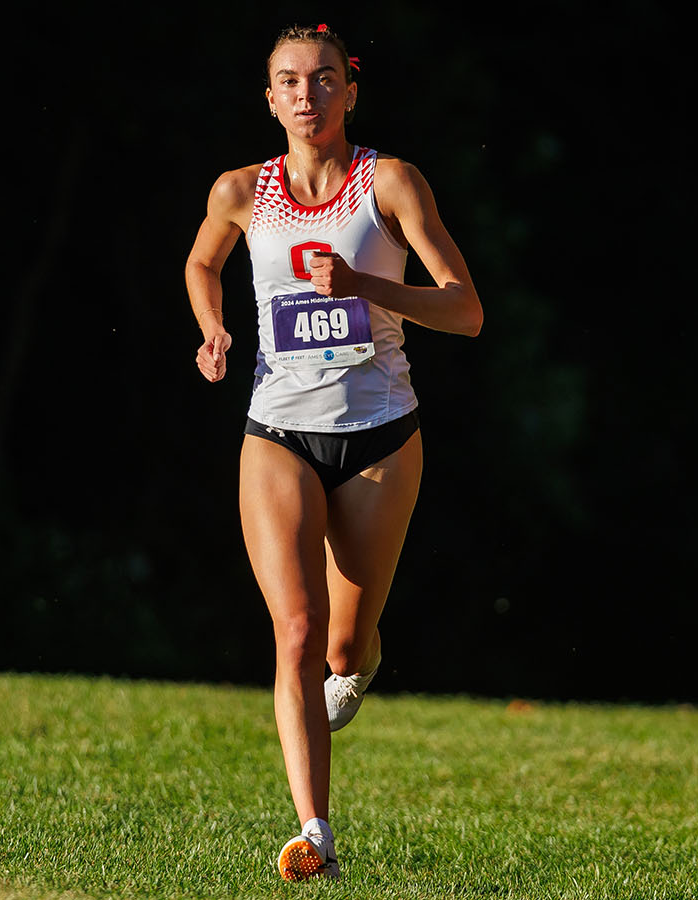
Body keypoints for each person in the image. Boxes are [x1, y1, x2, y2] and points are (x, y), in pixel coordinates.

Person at [183, 23, 481, 881]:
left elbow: (464, 310)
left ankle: (362, 658)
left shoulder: (388, 183)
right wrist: (213, 329)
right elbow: (204, 264)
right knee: (297, 631)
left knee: (345, 649)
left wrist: (366, 287)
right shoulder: (241, 190)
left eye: (322, 81)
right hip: (276, 431)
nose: (306, 96)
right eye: (289, 82)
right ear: (269, 98)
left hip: (382, 438)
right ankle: (315, 833)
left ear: (350, 91)